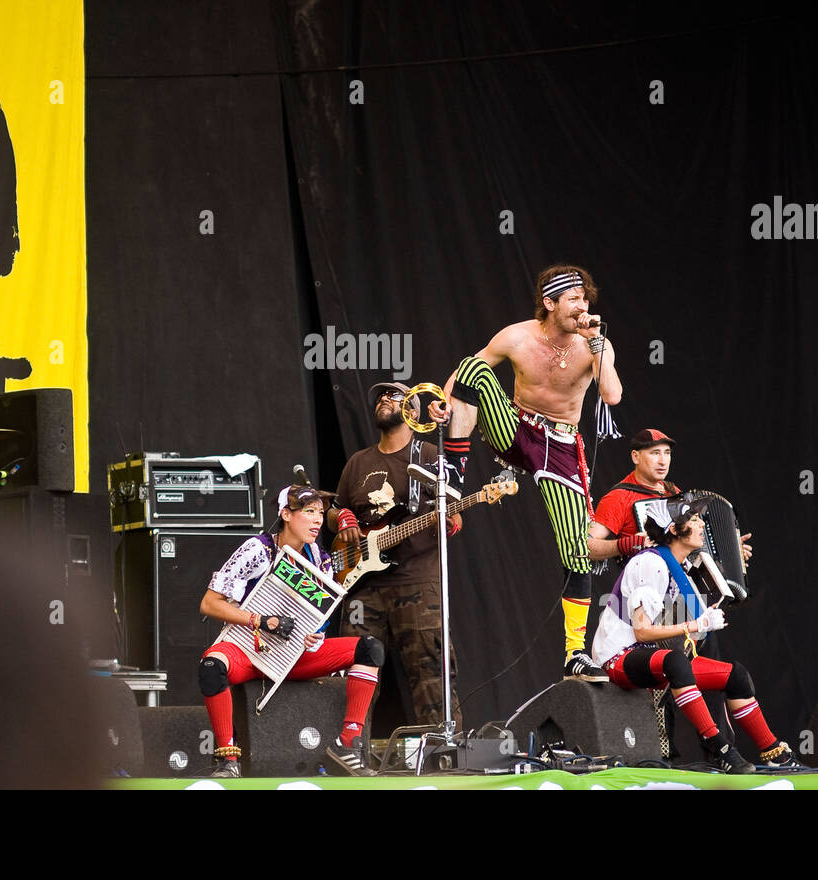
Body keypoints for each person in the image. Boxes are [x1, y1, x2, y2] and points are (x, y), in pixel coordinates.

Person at [431, 264, 622, 679]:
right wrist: (443, 403)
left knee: (576, 548)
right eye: (573, 299)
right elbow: (470, 370)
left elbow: (612, 394)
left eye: (585, 299)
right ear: (550, 303)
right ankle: (453, 474)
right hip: (516, 428)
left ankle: (575, 653)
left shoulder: (595, 344)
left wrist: (597, 345)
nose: (582, 306)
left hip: (562, 444)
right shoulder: (517, 335)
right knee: (472, 368)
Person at [589, 493, 797, 773]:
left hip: (656, 657)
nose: (701, 526)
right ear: (674, 530)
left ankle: (773, 751)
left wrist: (707, 615)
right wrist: (697, 625)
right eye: (694, 520)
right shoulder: (650, 563)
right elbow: (641, 632)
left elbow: (676, 625)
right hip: (618, 656)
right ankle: (720, 747)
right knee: (676, 662)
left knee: (736, 676)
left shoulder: (685, 568)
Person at [197, 484, 385, 778]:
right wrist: (259, 620)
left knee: (370, 649)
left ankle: (347, 744)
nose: (318, 520)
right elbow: (209, 604)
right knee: (211, 666)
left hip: (293, 654)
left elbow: (315, 617)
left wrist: (312, 634)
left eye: (321, 513)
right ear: (286, 514)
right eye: (309, 512)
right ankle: (228, 759)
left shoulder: (319, 559)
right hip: (247, 649)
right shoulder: (257, 550)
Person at [332, 382, 463, 729]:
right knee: (353, 672)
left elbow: (454, 509)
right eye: (380, 397)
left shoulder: (429, 457)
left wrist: (450, 522)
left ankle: (442, 754)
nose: (383, 401)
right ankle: (349, 751)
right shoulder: (358, 462)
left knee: (430, 671)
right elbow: (334, 510)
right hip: (363, 585)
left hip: (417, 580)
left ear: (414, 412)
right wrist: (341, 517)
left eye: (394, 396)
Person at [588, 428, 752, 566]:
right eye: (655, 453)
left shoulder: (672, 491)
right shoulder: (618, 497)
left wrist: (730, 551)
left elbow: (691, 541)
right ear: (635, 456)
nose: (663, 461)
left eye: (667, 453)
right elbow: (586, 546)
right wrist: (623, 545)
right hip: (644, 586)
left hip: (678, 588)